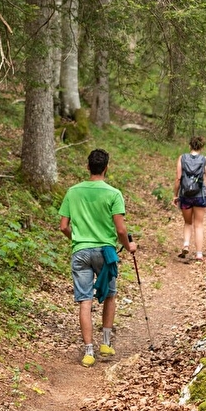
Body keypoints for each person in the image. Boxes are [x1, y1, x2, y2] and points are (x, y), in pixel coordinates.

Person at [59, 149, 137, 367]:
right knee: (110, 295)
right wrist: (129, 246)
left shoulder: (73, 191)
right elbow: (120, 230)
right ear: (106, 168)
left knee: (85, 300)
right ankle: (105, 343)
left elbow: (63, 226)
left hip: (81, 251)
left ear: (88, 167)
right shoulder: (114, 194)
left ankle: (88, 351)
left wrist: (77, 240)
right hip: (105, 252)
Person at [172, 136, 206, 262]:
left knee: (188, 222)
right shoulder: (204, 160)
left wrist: (175, 195)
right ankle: (199, 254)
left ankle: (186, 244)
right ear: (201, 147)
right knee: (198, 225)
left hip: (185, 195)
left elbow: (178, 178)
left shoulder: (182, 158)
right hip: (200, 196)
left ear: (190, 146)